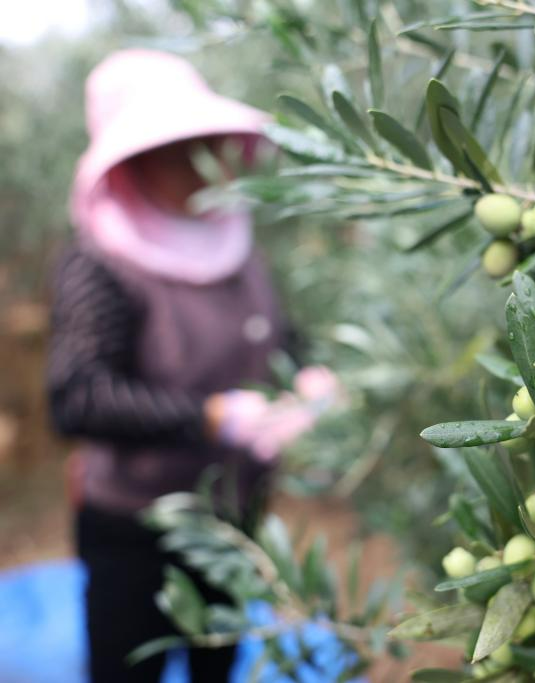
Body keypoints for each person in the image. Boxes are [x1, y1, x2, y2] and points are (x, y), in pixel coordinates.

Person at [47, 49, 337, 682]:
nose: (202, 162)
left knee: (218, 662)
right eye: (178, 148)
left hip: (234, 519)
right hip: (138, 530)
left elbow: (274, 336)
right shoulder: (100, 262)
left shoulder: (233, 240)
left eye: (207, 142)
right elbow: (77, 394)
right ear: (131, 164)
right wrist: (210, 417)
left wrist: (304, 375)